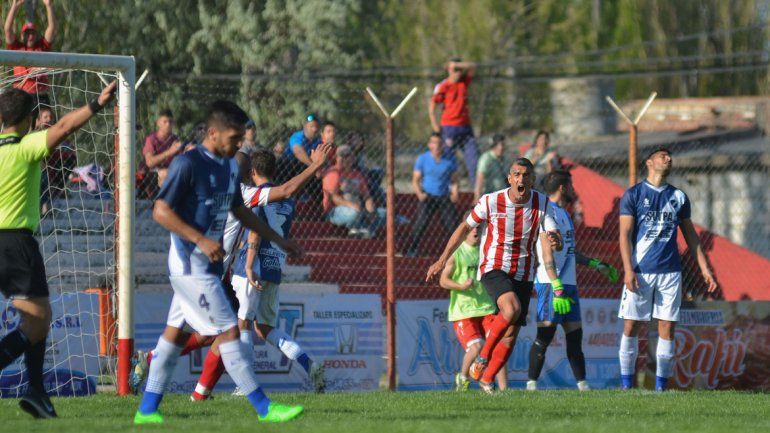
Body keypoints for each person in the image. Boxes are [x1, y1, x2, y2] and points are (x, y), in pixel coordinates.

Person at [133, 100, 306, 424]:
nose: (240, 145)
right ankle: (265, 408)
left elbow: (239, 211)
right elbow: (160, 210)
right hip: (190, 264)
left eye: (242, 138)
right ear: (213, 133)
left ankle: (146, 410)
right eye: (234, 138)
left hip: (208, 265)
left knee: (173, 335)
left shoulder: (228, 167)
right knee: (228, 332)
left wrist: (279, 240)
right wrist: (199, 239)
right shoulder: (187, 165)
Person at [130, 140, 335, 398]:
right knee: (228, 332)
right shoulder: (241, 193)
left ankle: (162, 370)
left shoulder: (215, 188)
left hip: (202, 272)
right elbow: (285, 190)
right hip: (201, 274)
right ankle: (195, 391)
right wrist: (315, 165)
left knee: (210, 335)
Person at [0, 81, 117, 419]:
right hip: (16, 243)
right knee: (38, 323)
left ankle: (36, 391)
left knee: (36, 319)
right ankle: (35, 390)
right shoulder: (26, 147)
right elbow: (65, 126)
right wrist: (96, 103)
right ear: (30, 120)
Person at [426, 157, 563, 394]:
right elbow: (464, 228)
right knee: (511, 309)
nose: (521, 179)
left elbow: (554, 236)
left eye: (526, 175)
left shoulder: (542, 203)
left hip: (523, 270)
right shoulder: (491, 201)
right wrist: (441, 259)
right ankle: (483, 358)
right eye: (517, 174)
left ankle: (487, 380)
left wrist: (556, 240)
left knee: (511, 334)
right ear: (509, 178)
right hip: (494, 266)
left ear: (532, 179)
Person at [200, 149, 325, 398]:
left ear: (253, 172)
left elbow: (254, 232)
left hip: (252, 268)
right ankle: (310, 366)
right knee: (265, 328)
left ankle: (244, 384)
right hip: (274, 266)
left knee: (242, 324)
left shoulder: (253, 197)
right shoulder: (287, 201)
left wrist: (248, 264)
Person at [617, 146, 717, 391]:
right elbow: (624, 235)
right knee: (631, 326)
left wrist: (704, 268)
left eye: (670, 156)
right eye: (663, 156)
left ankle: (661, 387)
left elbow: (692, 238)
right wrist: (628, 270)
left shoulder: (679, 197)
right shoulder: (634, 195)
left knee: (667, 327)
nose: (668, 158)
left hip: (670, 272)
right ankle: (626, 386)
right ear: (649, 162)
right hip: (641, 271)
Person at [526, 170, 619, 392]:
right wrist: (556, 285)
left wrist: (596, 264)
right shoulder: (546, 212)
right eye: (571, 185)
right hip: (551, 284)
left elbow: (569, 252)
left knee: (575, 336)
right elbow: (546, 253)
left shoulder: (564, 215)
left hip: (568, 284)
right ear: (562, 187)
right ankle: (531, 386)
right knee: (545, 335)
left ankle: (583, 386)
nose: (573, 190)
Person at [438, 225, 507, 392]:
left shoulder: (486, 251)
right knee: (477, 346)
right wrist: (461, 286)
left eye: (478, 228)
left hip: (486, 308)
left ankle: (503, 390)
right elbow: (443, 280)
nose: (475, 231)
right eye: (471, 229)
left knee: (498, 347)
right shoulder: (457, 253)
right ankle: (462, 379)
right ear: (464, 232)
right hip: (464, 311)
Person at [406, 133, 459, 257]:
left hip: (444, 196)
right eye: (434, 143)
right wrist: (419, 193)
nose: (437, 146)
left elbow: (455, 180)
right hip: (428, 196)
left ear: (443, 145)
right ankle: (412, 250)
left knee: (452, 225)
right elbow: (415, 180)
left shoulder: (450, 159)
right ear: (429, 145)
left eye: (439, 143)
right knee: (421, 223)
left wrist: (455, 192)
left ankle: (456, 252)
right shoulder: (422, 159)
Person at [429, 57, 479, 185]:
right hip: (449, 128)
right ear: (448, 70)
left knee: (473, 159)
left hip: (465, 128)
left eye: (459, 69)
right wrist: (436, 128)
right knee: (447, 159)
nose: (457, 72)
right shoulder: (443, 86)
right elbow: (432, 108)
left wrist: (458, 65)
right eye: (454, 69)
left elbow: (473, 66)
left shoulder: (463, 83)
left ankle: (476, 190)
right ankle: (447, 189)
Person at [322, 144, 384, 238]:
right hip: (335, 211)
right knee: (354, 213)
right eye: (343, 156)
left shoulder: (357, 174)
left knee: (383, 213)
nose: (347, 159)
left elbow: (366, 196)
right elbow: (334, 197)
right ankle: (357, 230)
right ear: (337, 158)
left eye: (349, 156)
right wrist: (354, 206)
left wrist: (370, 209)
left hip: (359, 208)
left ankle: (365, 231)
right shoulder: (333, 172)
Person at [4, 0, 56, 106]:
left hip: (40, 95)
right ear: (22, 36)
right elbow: (7, 29)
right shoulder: (16, 47)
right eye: (27, 33)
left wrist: (49, 6)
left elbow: (52, 28)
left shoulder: (42, 46)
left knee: (45, 120)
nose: (30, 36)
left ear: (36, 35)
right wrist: (15, 6)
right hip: (21, 94)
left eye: (33, 33)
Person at [142, 109, 182, 189]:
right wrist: (170, 152)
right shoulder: (151, 139)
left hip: (171, 172)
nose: (168, 125)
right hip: (152, 175)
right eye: (165, 121)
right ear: (158, 123)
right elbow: (149, 162)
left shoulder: (175, 139)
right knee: (165, 173)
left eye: (170, 122)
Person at [474, 134, 509, 201]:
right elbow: (480, 177)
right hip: (489, 195)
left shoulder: (506, 159)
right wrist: (477, 196)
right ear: (494, 145)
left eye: (503, 145)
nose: (501, 147)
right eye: (499, 145)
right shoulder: (486, 158)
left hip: (503, 195)